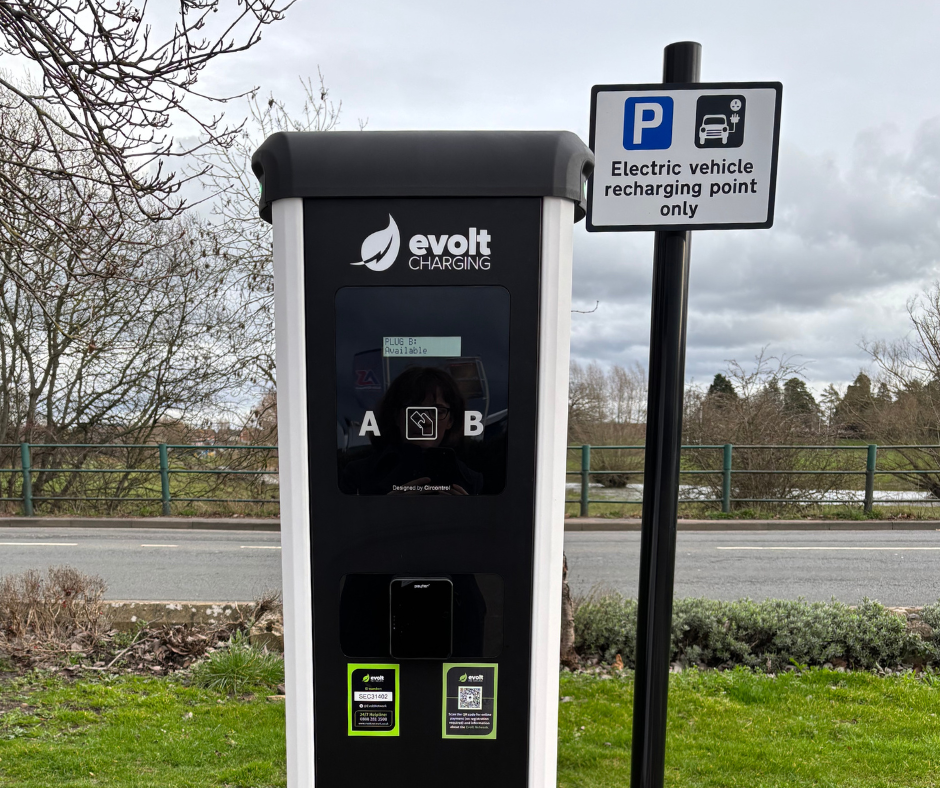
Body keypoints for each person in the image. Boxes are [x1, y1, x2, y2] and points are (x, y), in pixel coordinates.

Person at [340, 366, 484, 496]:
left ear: (450, 421)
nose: (425, 421)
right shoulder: (358, 474)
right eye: (414, 411)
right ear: (396, 416)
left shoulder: (472, 481)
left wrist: (469, 513)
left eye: (438, 411)